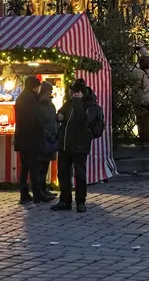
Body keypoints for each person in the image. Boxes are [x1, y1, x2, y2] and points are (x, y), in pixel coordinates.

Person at [51, 79, 104, 213]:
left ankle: (81, 201)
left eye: (73, 92)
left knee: (80, 174)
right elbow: (60, 114)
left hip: (80, 145)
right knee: (63, 174)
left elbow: (83, 121)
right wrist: (59, 116)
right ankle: (65, 200)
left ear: (80, 93)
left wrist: (78, 103)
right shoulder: (69, 102)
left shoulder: (90, 106)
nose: (71, 95)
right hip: (65, 144)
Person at [13, 75, 42, 204]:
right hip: (31, 137)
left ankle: (24, 193)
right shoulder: (32, 99)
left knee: (24, 167)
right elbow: (35, 119)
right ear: (34, 86)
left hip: (21, 136)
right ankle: (37, 194)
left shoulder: (20, 98)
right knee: (34, 167)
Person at [34, 81, 59, 200]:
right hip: (42, 138)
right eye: (49, 91)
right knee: (41, 167)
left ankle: (44, 189)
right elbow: (39, 122)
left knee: (45, 166)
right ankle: (40, 190)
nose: (50, 94)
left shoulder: (50, 105)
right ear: (44, 92)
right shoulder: (38, 105)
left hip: (51, 137)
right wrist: (47, 133)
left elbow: (53, 119)